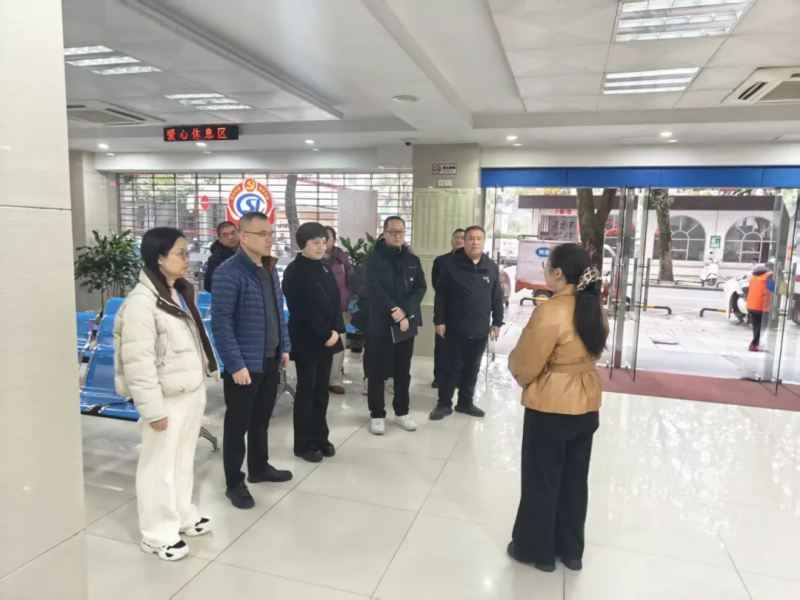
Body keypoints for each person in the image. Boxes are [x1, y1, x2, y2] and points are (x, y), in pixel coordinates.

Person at [113, 227, 219, 561]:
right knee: (158, 467)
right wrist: (153, 410)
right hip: (166, 399)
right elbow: (138, 363)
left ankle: (182, 515)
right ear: (159, 258)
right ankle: (157, 534)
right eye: (181, 253)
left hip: (189, 391)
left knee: (183, 460)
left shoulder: (178, 292)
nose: (188, 259)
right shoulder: (141, 303)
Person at [506, 243, 608, 573]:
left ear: (559, 273)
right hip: (587, 403)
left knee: (542, 480)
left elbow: (525, 363)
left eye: (547, 266)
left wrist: (521, 376)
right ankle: (571, 551)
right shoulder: (595, 308)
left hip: (550, 404)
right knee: (575, 480)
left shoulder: (550, 311)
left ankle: (537, 552)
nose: (546, 272)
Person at [211, 211, 292, 510]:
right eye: (262, 234)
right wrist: (235, 364)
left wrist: (285, 346)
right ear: (243, 237)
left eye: (270, 233)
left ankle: (259, 467)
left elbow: (278, 311)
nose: (269, 239)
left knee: (261, 419)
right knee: (237, 425)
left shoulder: (269, 268)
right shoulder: (228, 272)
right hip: (244, 364)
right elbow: (221, 323)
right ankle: (234, 482)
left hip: (270, 358)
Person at [282, 223, 346, 462]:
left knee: (321, 392)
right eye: (315, 243)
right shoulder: (294, 271)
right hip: (308, 338)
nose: (321, 247)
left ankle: (320, 436)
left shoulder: (324, 268)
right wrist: (325, 333)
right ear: (303, 245)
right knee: (307, 392)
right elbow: (303, 308)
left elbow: (336, 300)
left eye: (323, 242)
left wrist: (336, 330)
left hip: (328, 338)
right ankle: (303, 444)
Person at [430, 226, 503, 420]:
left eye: (479, 238)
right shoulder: (451, 265)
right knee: (450, 368)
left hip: (480, 328)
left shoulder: (491, 267)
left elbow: (497, 296)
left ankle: (465, 402)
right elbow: (441, 295)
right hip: (454, 327)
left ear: (484, 242)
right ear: (465, 241)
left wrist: (497, 321)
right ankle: (444, 404)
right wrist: (439, 320)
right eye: (471, 238)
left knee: (472, 368)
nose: (475, 242)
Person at [363, 216, 427, 435]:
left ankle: (402, 411)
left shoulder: (412, 259)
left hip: (406, 322)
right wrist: (394, 309)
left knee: (403, 370)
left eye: (401, 232)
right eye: (393, 232)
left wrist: (405, 310)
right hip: (381, 322)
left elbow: (420, 288)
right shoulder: (373, 259)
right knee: (377, 371)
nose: (398, 236)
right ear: (384, 233)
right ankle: (377, 414)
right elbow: (373, 288)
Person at [430, 228, 465, 388]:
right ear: (451, 241)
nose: (458, 240)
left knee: (461, 348)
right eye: (456, 237)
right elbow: (436, 284)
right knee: (442, 346)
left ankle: (458, 378)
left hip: (463, 311)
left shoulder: (470, 261)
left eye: (462, 238)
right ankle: (439, 378)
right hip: (444, 310)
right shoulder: (441, 261)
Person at [323, 226, 354, 395]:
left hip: (340, 307)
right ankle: (320, 378)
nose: (324, 241)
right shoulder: (312, 257)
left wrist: (348, 298)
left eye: (328, 237)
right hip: (319, 309)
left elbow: (351, 279)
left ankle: (334, 379)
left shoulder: (342, 259)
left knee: (339, 342)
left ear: (334, 239)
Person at [746, 260, 775, 352]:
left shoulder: (755, 274)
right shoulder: (770, 275)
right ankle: (754, 344)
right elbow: (770, 290)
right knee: (762, 326)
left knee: (756, 325)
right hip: (761, 304)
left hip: (751, 303)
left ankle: (756, 343)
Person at [203, 221, 239, 292]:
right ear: (220, 240)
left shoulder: (250, 252)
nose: (230, 237)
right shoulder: (216, 259)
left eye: (233, 233)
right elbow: (208, 285)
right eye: (225, 235)